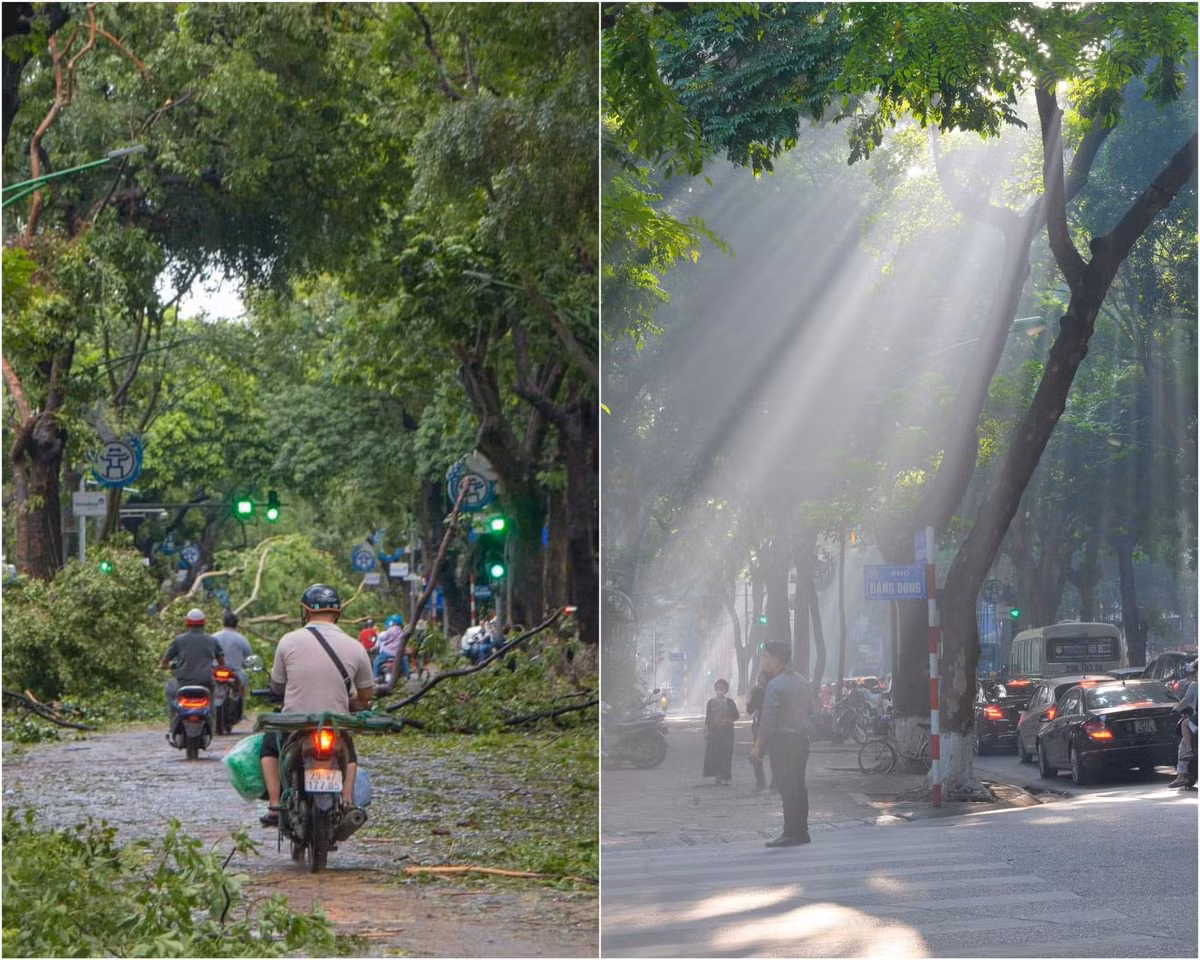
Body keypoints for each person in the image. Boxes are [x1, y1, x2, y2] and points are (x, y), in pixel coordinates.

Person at [259, 584, 375, 827]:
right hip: (335, 724)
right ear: (338, 611)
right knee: (350, 753)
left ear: (305, 610)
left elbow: (277, 687)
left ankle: (274, 805)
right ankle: (346, 799)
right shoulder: (356, 646)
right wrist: (355, 701)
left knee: (269, 747)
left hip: (295, 723)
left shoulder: (288, 641)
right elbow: (366, 696)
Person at [749, 640, 815, 848]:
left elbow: (767, 720)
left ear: (777, 660)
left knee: (787, 787)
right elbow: (809, 710)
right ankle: (801, 831)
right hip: (801, 740)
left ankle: (790, 832)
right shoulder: (803, 682)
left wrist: (757, 747)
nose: (764, 660)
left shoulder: (775, 685)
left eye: (766, 656)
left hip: (783, 742)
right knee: (798, 785)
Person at [160, 608, 224, 719]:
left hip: (183, 683)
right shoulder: (212, 640)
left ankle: (173, 719)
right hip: (206, 683)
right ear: (204, 623)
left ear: (187, 623)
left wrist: (170, 666)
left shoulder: (178, 640)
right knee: (211, 699)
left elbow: (164, 663)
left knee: (170, 690)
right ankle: (212, 721)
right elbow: (222, 663)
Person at [213, 610, 254, 721]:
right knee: (244, 680)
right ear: (236, 623)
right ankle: (241, 707)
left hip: (215, 670)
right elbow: (249, 657)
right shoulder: (241, 639)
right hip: (234, 672)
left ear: (223, 622)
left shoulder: (213, 637)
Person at [703, 679, 739, 785]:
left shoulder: (730, 702)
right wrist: (706, 731)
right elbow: (707, 718)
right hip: (715, 733)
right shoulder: (710, 703)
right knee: (715, 754)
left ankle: (726, 776)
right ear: (715, 689)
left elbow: (736, 716)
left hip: (727, 732)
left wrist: (728, 720)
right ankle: (718, 775)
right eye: (718, 688)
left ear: (725, 690)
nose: (720, 691)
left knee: (727, 754)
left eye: (722, 688)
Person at [746, 672, 769, 791]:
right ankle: (767, 782)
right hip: (771, 726)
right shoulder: (774, 689)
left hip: (764, 726)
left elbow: (749, 709)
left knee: (758, 753)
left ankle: (762, 782)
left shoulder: (759, 691)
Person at [373, 614, 406, 681]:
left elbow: (382, 638)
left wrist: (377, 633)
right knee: (404, 661)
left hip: (387, 652)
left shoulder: (390, 630)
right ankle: (406, 675)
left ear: (393, 622)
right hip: (397, 653)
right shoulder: (402, 632)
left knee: (376, 662)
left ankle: (376, 677)